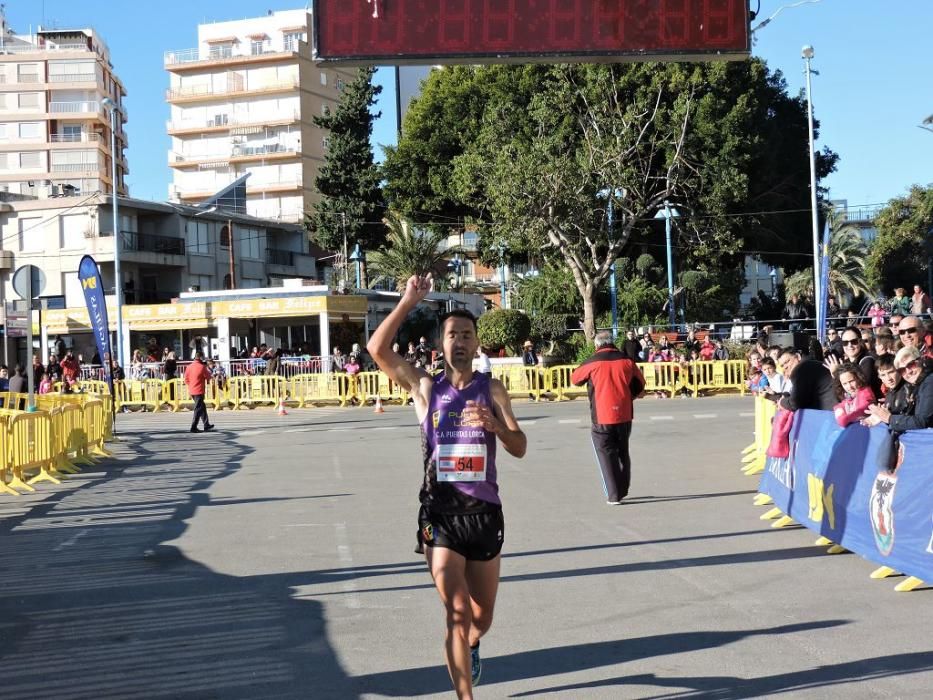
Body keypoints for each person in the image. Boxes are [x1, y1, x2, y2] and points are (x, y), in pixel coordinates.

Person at [367, 274, 526, 698]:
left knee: (480, 617)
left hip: (484, 516)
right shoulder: (425, 388)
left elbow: (520, 446)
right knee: (456, 613)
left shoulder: (492, 389)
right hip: (440, 518)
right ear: (441, 345)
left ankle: (474, 643)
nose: (459, 340)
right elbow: (376, 350)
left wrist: (496, 425)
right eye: (452, 334)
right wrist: (407, 301)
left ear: (477, 345)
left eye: (467, 334)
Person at [571, 331, 645, 504]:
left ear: (597, 345)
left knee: (605, 454)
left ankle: (614, 494)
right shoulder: (627, 361)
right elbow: (640, 385)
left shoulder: (592, 362)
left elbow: (575, 379)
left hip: (602, 416)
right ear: (613, 342)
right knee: (622, 451)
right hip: (624, 414)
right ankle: (623, 489)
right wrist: (629, 396)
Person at [825, 326, 881, 399]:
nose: (849, 345)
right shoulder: (845, 362)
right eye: (845, 343)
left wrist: (836, 374)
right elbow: (839, 394)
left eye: (854, 341)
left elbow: (862, 389)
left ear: (860, 341)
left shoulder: (867, 361)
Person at [184, 352, 214, 433]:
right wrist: (209, 368)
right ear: (200, 357)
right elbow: (208, 377)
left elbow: (186, 379)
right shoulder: (202, 367)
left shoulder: (189, 367)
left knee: (202, 407)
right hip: (199, 390)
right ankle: (193, 427)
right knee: (198, 409)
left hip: (192, 390)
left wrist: (191, 385)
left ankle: (206, 424)